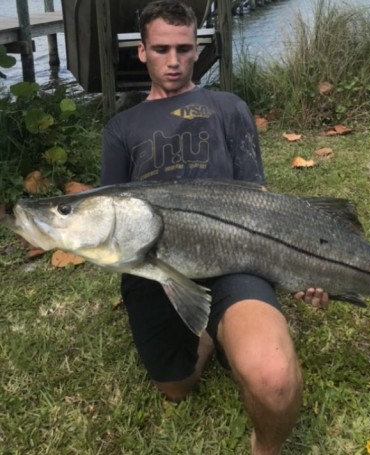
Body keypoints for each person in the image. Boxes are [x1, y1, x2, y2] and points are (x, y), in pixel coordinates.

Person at [100, 1, 329, 454]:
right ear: (142, 52)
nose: (174, 61)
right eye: (161, 49)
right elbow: (111, 210)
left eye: (184, 49)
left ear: (197, 49)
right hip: (155, 264)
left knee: (274, 378)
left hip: (233, 257)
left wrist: (298, 266)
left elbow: (256, 201)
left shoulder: (228, 107)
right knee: (176, 388)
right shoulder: (121, 127)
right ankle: (209, 336)